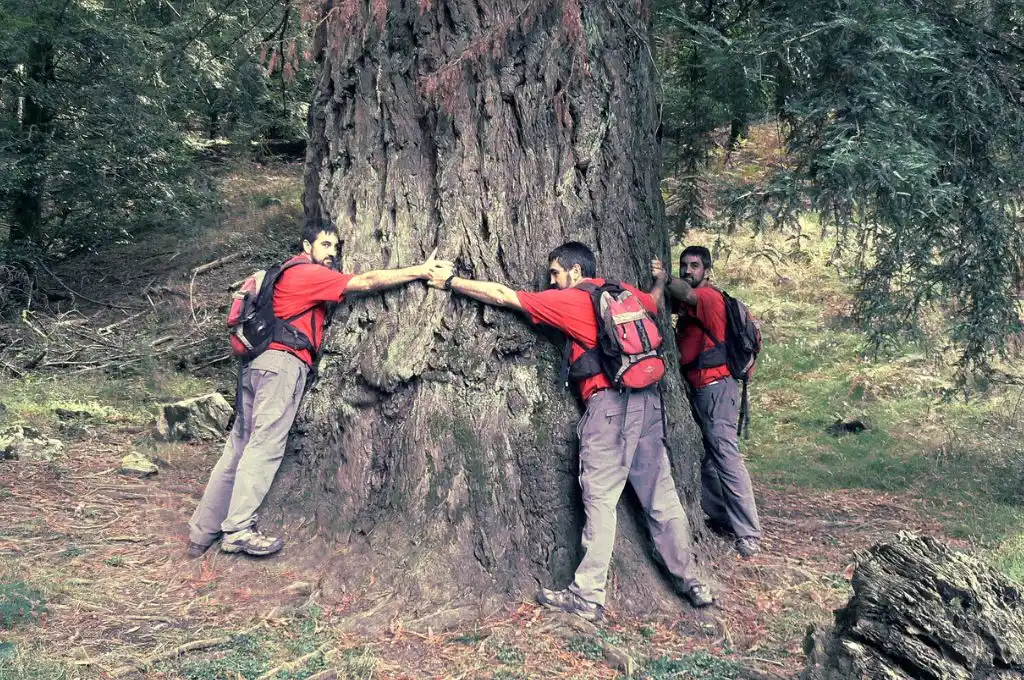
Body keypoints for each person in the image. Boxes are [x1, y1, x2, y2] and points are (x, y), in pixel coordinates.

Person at [427, 241, 713, 621]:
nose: (551, 281)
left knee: (600, 499)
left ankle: (588, 595)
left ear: (576, 272)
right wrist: (659, 282)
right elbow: (654, 303)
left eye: (555, 273)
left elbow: (503, 295)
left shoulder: (573, 300)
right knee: (662, 496)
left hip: (611, 407)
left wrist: (452, 283)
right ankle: (691, 580)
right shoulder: (621, 291)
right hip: (649, 403)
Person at [187, 224, 452, 558]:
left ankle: (202, 533)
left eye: (336, 247)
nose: (332, 253)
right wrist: (420, 271)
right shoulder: (307, 273)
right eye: (325, 244)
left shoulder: (282, 273)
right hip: (282, 365)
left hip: (255, 365)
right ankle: (238, 530)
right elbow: (366, 282)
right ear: (306, 245)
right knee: (265, 446)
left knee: (237, 449)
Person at [650, 246, 762, 558]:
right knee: (708, 459)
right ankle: (725, 517)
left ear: (707, 271)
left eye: (695, 266)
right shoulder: (691, 304)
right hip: (700, 388)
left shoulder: (709, 297)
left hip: (716, 388)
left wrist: (664, 278)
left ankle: (749, 533)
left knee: (725, 455)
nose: (688, 270)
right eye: (684, 265)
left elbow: (684, 292)